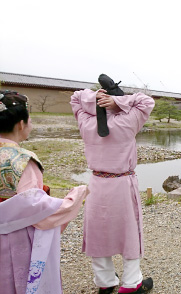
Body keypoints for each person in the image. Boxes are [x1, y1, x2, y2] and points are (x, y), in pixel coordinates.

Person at [70, 74, 155, 294]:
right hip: (122, 183)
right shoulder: (128, 120)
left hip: (97, 183)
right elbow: (147, 101)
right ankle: (131, 283)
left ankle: (105, 282)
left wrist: (94, 97)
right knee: (129, 232)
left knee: (97, 232)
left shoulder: (86, 122)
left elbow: (76, 98)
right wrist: (119, 102)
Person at [0, 90, 89, 294]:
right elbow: (37, 211)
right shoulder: (20, 160)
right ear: (21, 123)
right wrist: (76, 196)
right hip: (14, 235)